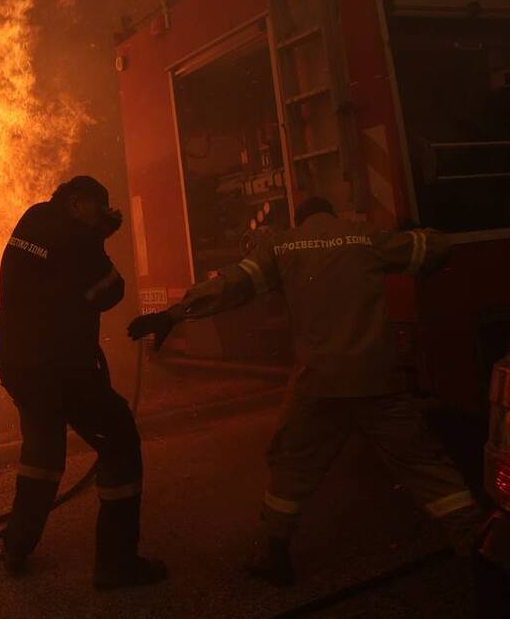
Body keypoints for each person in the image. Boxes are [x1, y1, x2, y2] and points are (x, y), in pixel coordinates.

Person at [128, 196, 486, 586]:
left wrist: (173, 314)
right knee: (424, 466)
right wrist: (415, 231)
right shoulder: (364, 237)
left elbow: (232, 285)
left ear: (301, 220)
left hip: (319, 385)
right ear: (331, 215)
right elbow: (435, 249)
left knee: (292, 465)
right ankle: (480, 548)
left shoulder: (283, 246)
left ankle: (275, 556)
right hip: (377, 381)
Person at [0, 175, 167, 590]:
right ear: (76, 202)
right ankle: (117, 565)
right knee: (120, 439)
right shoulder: (77, 237)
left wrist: (93, 238)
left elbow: (61, 278)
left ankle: (16, 547)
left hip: (20, 367)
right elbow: (111, 290)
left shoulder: (33, 218)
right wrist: (98, 239)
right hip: (62, 370)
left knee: (41, 452)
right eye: (97, 207)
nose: (101, 215)